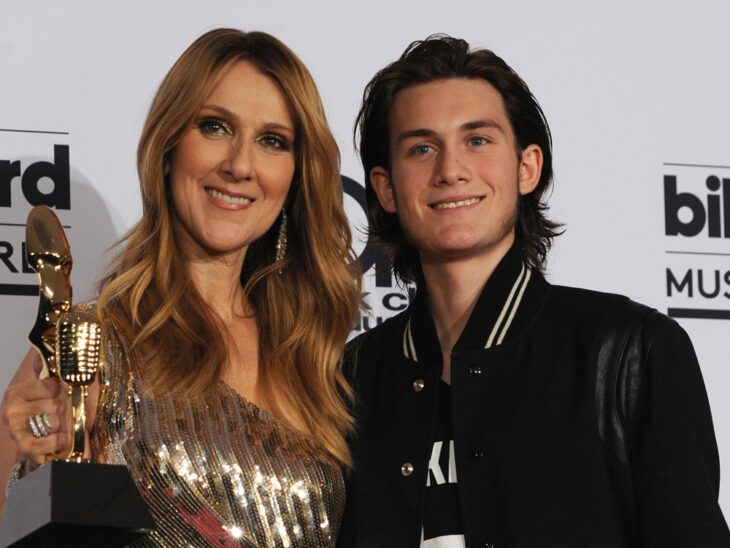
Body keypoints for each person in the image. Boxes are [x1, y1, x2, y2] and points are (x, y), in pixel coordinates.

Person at [338, 35, 730, 547]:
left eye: (477, 140)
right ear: (386, 189)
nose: (450, 170)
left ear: (527, 168)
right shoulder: (349, 379)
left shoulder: (631, 350)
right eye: (422, 148)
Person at [0, 28, 361, 546]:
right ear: (168, 147)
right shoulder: (91, 345)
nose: (240, 165)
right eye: (215, 127)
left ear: (296, 174)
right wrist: (36, 454)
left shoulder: (316, 359)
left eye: (272, 141)